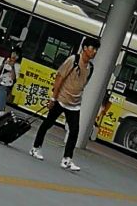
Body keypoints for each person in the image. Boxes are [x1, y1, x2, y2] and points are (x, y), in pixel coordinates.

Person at [29, 35, 100, 172]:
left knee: (74, 132)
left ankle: (67, 159)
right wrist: (53, 99)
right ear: (85, 48)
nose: (95, 51)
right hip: (61, 99)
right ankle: (35, 147)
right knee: (47, 123)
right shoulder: (73, 60)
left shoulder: (90, 67)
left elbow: (82, 84)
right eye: (93, 48)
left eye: (96, 49)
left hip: (75, 104)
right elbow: (59, 78)